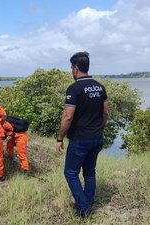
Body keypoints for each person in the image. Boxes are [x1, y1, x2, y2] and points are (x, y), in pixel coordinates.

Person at [56, 52, 109, 217]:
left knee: (70, 173)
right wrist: (100, 128)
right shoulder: (100, 87)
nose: (71, 70)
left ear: (75, 67)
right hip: (97, 137)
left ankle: (84, 207)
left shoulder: (74, 88)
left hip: (80, 139)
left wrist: (59, 138)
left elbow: (68, 116)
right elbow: (106, 112)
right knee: (89, 171)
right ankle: (89, 200)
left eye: (71, 67)